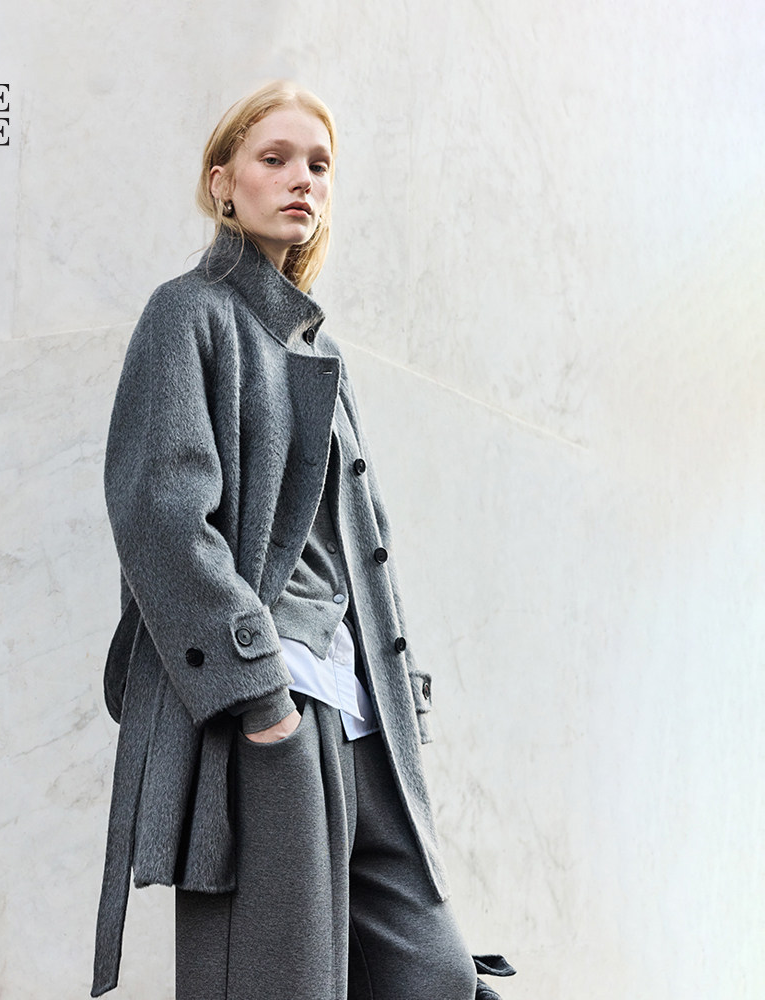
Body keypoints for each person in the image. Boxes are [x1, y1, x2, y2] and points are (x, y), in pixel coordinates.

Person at [90, 81, 513, 1000]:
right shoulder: (189, 312)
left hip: (360, 710)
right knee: (281, 980)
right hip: (277, 695)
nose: (301, 180)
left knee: (435, 975)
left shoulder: (317, 347)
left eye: (318, 165)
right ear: (222, 182)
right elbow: (161, 514)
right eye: (274, 159)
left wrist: (394, 689)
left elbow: (359, 547)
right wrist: (260, 700)